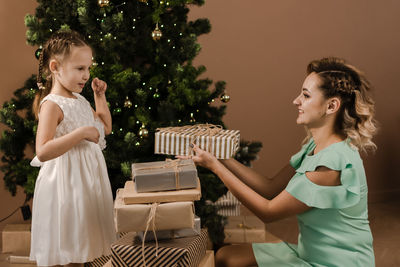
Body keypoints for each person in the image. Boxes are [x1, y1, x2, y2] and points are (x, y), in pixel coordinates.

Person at [183, 57, 378, 266]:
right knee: (225, 257)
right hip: (309, 254)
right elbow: (270, 187)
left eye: (305, 95)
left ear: (331, 106)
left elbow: (268, 211)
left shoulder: (330, 166)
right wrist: (221, 158)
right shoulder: (315, 147)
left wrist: (215, 166)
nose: (296, 101)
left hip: (334, 264)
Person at [29, 30, 116, 267]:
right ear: (55, 67)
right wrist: (79, 134)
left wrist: (100, 96)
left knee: (83, 246)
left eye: (88, 68)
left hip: (86, 181)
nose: (86, 75)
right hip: (66, 184)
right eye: (80, 69)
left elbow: (104, 127)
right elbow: (43, 151)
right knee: (69, 246)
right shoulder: (52, 105)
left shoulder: (80, 99)